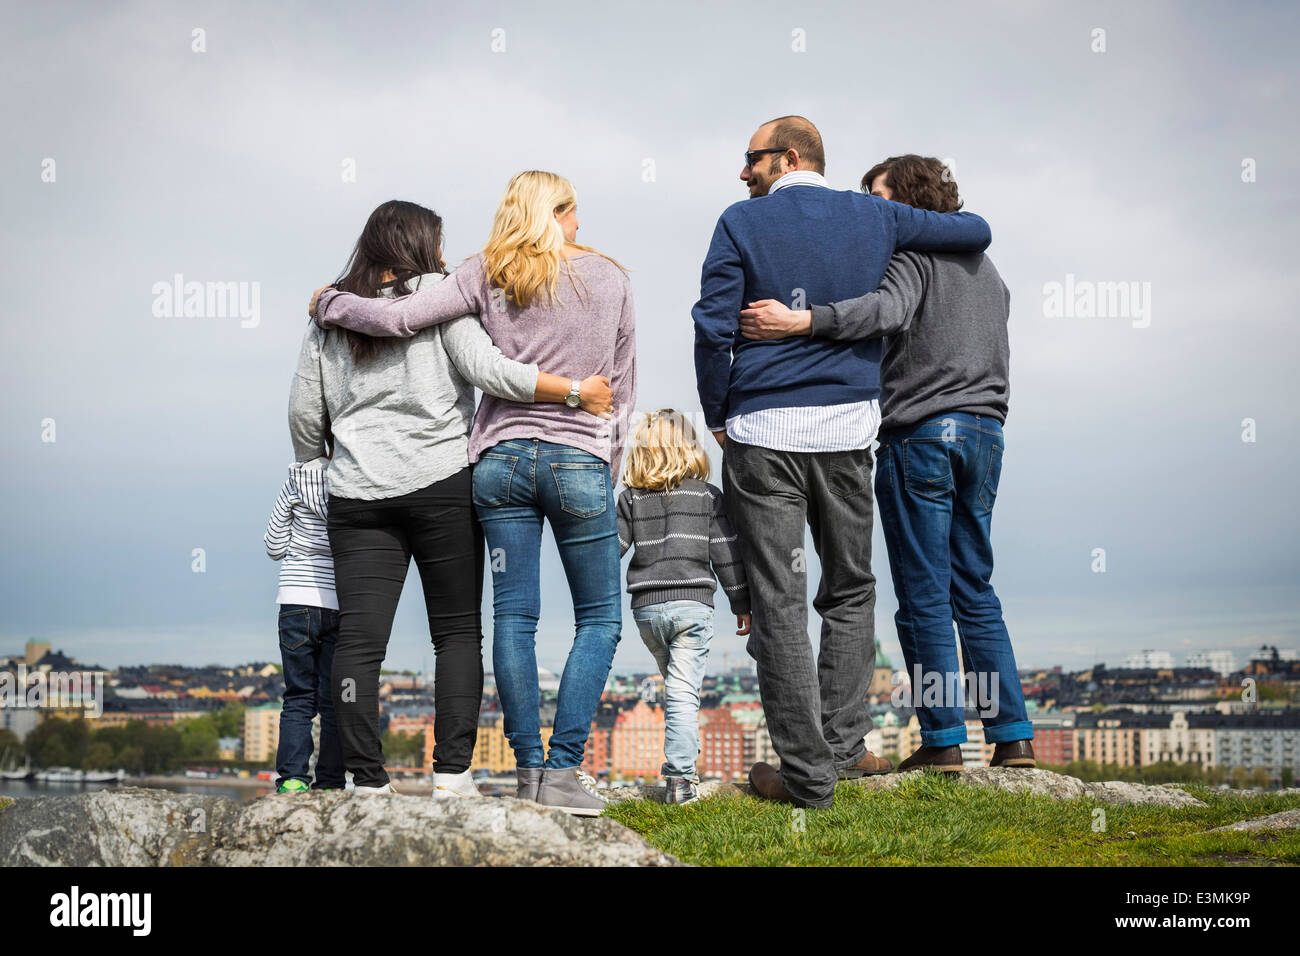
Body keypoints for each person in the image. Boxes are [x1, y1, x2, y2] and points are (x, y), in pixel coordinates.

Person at [692, 116, 994, 809]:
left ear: (789, 156)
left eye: (751, 159)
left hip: (762, 429)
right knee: (851, 590)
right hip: (847, 430)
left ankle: (807, 776)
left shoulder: (740, 222)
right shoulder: (874, 217)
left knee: (778, 601)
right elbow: (974, 230)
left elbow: (712, 328)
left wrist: (718, 414)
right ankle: (840, 747)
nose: (743, 172)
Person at [312, 172, 637, 815]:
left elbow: (399, 316)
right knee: (598, 616)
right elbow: (622, 388)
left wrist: (330, 303)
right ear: (561, 212)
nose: (578, 229)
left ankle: (526, 772)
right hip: (579, 460)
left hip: (499, 464)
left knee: (513, 617)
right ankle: (562, 773)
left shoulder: (482, 272)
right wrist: (609, 465)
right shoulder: (612, 278)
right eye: (574, 216)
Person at [738, 154, 1034, 771]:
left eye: (878, 195)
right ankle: (1013, 737)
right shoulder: (988, 270)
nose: (872, 208)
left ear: (904, 197)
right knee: (974, 588)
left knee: (923, 596)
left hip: (921, 436)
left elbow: (886, 312)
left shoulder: (910, 258)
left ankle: (945, 742)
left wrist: (803, 321)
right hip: (987, 435)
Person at [617, 409, 752, 804]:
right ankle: (680, 779)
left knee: (677, 691)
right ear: (690, 449)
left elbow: (612, 550)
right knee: (682, 693)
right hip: (692, 607)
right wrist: (741, 602)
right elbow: (725, 553)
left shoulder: (630, 499)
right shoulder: (707, 496)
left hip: (647, 612)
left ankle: (683, 764)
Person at [263, 454, 344, 793]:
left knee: (298, 696)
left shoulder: (293, 483)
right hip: (339, 600)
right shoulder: (351, 481)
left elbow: (274, 546)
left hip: (296, 600)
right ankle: (330, 783)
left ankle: (293, 779)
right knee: (334, 700)